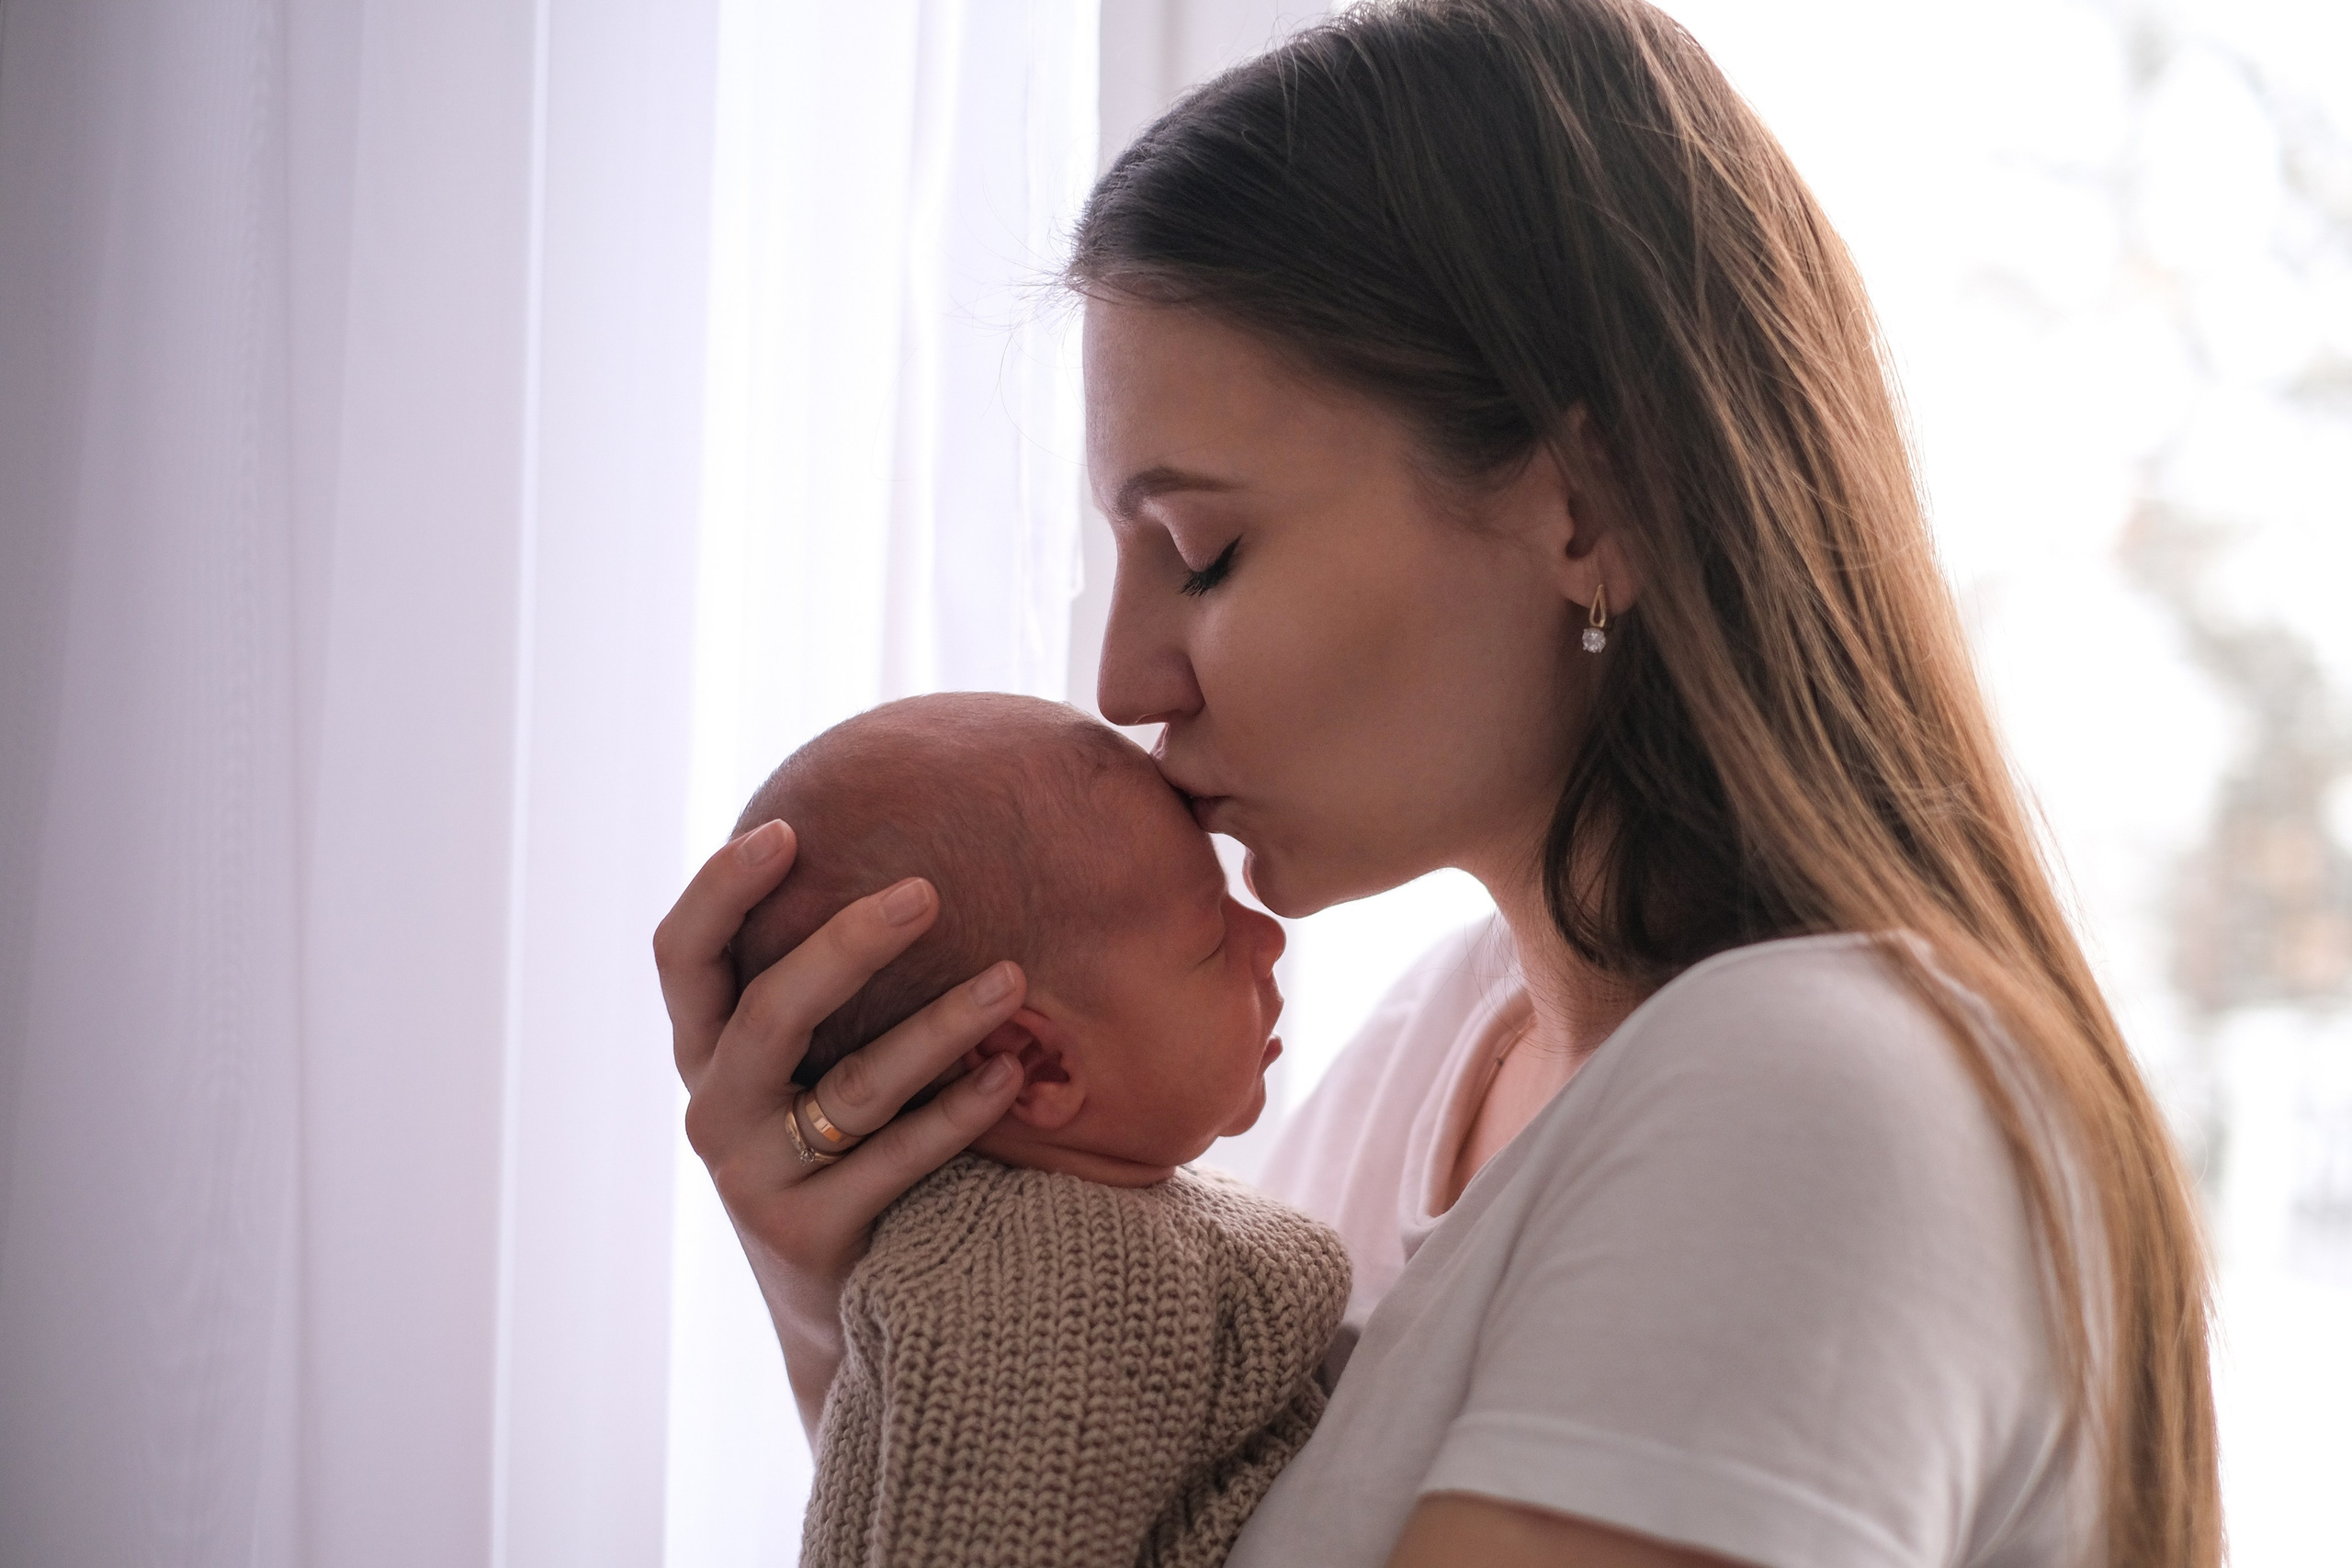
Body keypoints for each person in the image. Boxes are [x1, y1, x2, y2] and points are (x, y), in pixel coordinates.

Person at [655, 2, 2221, 1564]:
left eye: (1201, 552)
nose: (1127, 680)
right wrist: (866, 1297)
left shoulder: (1808, 1092)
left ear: (1589, 509)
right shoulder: (1407, 1078)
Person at [728, 692, 1348, 1568]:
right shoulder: (1047, 1281)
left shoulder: (1088, 1227)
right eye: (1212, 934)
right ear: (1036, 1065)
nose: (1269, 938)